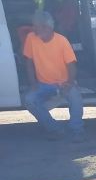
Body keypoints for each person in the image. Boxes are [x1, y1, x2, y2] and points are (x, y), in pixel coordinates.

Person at [23, 10, 84, 141]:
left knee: (75, 97)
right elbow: (28, 62)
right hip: (43, 84)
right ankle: (55, 129)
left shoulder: (62, 41)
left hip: (63, 82)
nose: (34, 29)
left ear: (47, 27)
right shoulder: (31, 38)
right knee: (29, 99)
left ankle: (77, 130)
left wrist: (69, 82)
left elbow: (71, 65)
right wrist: (32, 83)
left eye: (36, 26)